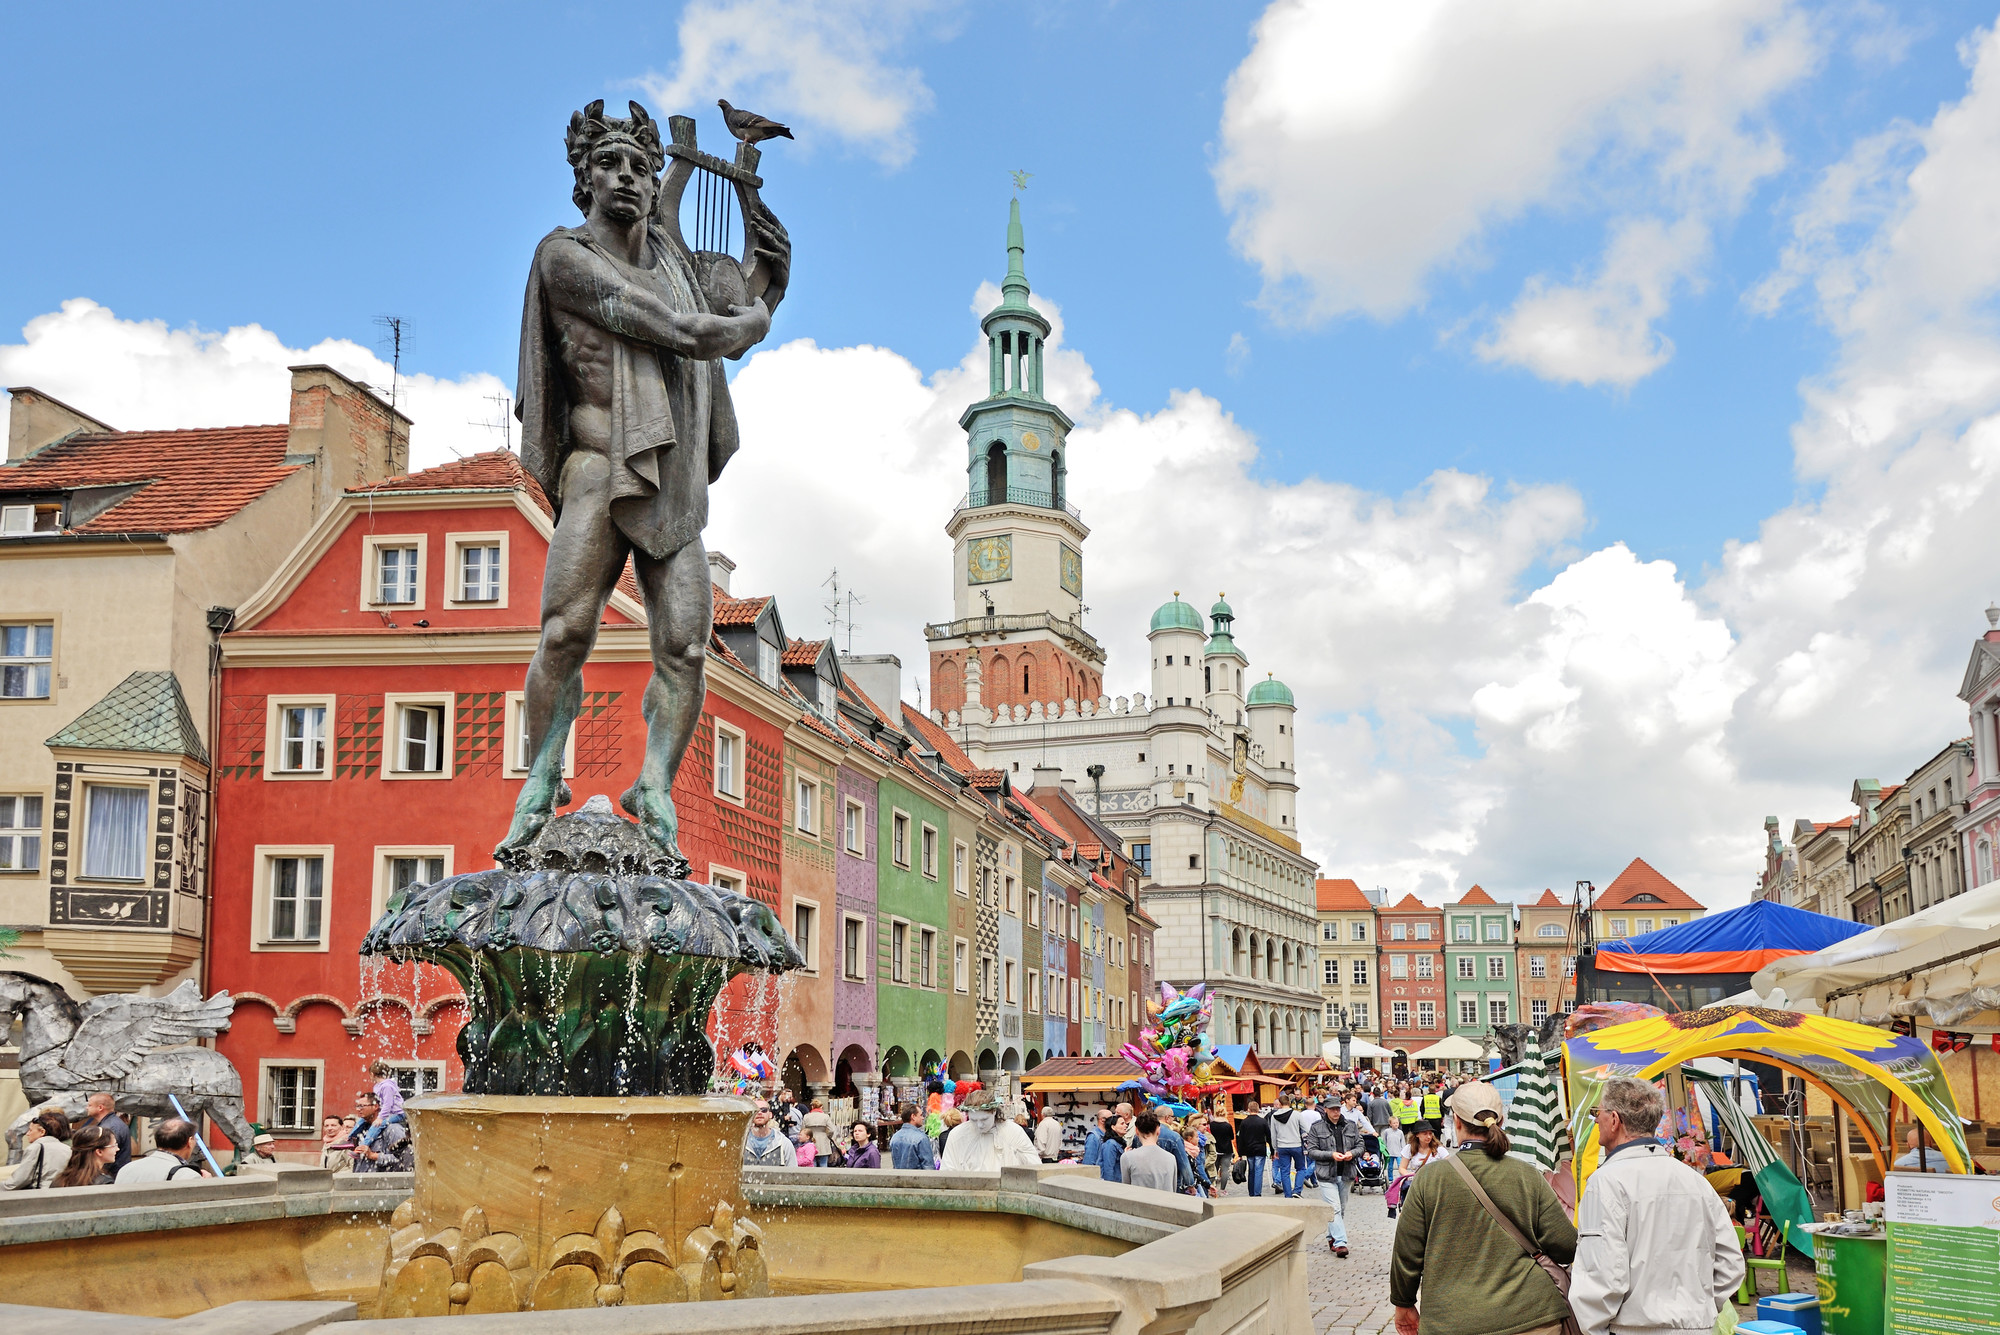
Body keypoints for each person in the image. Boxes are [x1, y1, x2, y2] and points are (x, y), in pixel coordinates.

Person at [1389, 1082, 1577, 1335]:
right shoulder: (1527, 1175)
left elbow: (1407, 1251)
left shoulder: (1429, 1178)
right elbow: (1565, 1245)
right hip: (1532, 1315)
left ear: (1456, 1121)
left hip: (1452, 1320)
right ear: (1501, 1120)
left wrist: (1404, 1303)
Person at [1570, 1077, 1744, 1335]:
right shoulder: (1695, 1181)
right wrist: (1701, 1307)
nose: (1596, 1120)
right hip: (1697, 1326)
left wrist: (1594, 1328)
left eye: (1599, 1112)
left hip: (1633, 1328)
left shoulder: (1605, 1182)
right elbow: (1730, 1262)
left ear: (1615, 1120)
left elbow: (1602, 1275)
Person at [1305, 1094, 1366, 1256]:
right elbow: (1311, 1151)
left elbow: (1361, 1145)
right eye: (1332, 1110)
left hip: (1346, 1172)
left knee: (1342, 1209)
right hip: (1326, 1174)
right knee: (1335, 1208)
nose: (1336, 1112)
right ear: (1325, 1110)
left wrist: (1352, 1153)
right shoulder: (1317, 1127)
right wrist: (1330, 1155)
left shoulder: (1351, 1126)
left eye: (1338, 1109)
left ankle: (1331, 1236)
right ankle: (1340, 1243)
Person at [941, 1089, 1040, 1170]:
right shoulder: (958, 1135)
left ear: (994, 1112)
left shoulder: (1013, 1131)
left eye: (984, 1119)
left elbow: (1034, 1166)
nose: (979, 1125)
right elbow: (948, 1171)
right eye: (974, 1120)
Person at [115, 1117, 207, 1184]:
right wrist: (207, 1185)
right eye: (195, 1139)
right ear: (189, 1141)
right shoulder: (189, 1177)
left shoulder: (126, 1170)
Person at [4, 1109, 71, 1189]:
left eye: (30, 1130)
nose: (27, 1134)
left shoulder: (36, 1148)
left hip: (39, 1195)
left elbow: (20, 1179)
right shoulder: (68, 1149)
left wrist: (3, 1186)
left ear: (42, 1132)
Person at [1120, 1113, 1179, 1193]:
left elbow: (1126, 1188)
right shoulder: (1171, 1158)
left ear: (1136, 1131)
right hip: (1165, 1204)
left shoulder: (1127, 1157)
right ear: (1158, 1130)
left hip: (1138, 1203)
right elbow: (1173, 1188)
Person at [82, 1092, 133, 1173]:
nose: (87, 1108)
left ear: (100, 1107)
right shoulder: (109, 1124)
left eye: (90, 1105)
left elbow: (105, 1157)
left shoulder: (111, 1128)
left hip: (111, 1178)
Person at [53, 1126, 119, 1188]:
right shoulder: (104, 1184)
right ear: (99, 1152)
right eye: (114, 1145)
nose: (117, 1149)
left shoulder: (60, 1180)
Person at [1270, 1098, 1308, 1198]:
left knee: (1284, 1171)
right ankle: (1297, 1190)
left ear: (1280, 1104)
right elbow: (1306, 1129)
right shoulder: (1296, 1114)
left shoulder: (1274, 1116)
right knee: (1301, 1168)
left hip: (1282, 1146)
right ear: (1289, 1103)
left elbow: (1273, 1135)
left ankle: (1287, 1195)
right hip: (1296, 1145)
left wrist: (1275, 1149)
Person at [741, 1100, 797, 1166]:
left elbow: (793, 1173)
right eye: (755, 1110)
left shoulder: (783, 1143)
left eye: (763, 1110)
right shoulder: (739, 1143)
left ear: (770, 1115)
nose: (759, 1113)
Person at [1236, 1101, 1272, 1197]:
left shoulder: (1244, 1122)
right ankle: (1257, 1193)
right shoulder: (1263, 1121)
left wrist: (1240, 1153)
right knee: (1259, 1172)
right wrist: (1272, 1151)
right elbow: (1269, 1137)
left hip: (1249, 1149)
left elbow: (1241, 1139)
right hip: (1260, 1149)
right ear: (1258, 1109)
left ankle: (1251, 1192)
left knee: (1251, 1171)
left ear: (1248, 1109)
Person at [889, 1102, 938, 1170]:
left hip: (899, 1178)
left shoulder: (895, 1137)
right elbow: (929, 1167)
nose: (923, 1118)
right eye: (921, 1115)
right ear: (913, 1117)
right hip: (917, 1179)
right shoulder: (921, 1138)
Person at [1210, 1104, 1237, 1192]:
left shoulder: (1212, 1124)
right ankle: (1222, 1189)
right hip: (1226, 1149)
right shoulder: (1227, 1125)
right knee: (1225, 1170)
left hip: (1215, 1149)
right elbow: (1232, 1137)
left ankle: (1212, 1187)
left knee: (1214, 1169)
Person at [799, 1097, 836, 1162]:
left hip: (811, 1140)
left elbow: (803, 1129)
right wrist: (828, 1136)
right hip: (823, 1141)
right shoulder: (825, 1116)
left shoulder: (806, 1116)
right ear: (821, 1107)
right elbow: (832, 1129)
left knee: (812, 1162)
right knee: (823, 1164)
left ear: (812, 1107)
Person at [1099, 1115, 1130, 1183]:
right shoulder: (1110, 1144)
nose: (1126, 1126)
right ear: (1113, 1127)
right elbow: (1108, 1169)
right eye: (1122, 1123)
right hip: (1114, 1184)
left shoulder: (1120, 1142)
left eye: (1125, 1123)